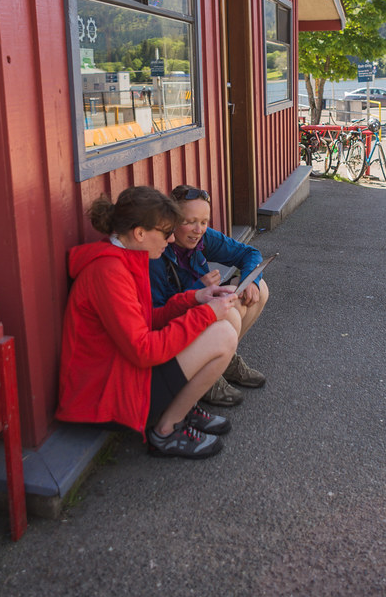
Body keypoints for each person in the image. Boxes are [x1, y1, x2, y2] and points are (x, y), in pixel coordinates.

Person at [57, 186, 241, 459]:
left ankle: (183, 409)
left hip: (123, 374)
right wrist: (206, 314)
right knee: (221, 333)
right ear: (140, 233)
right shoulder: (108, 272)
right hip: (105, 398)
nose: (171, 239)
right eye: (166, 232)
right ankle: (166, 432)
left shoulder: (126, 258)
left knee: (222, 322)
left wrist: (195, 298)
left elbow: (148, 320)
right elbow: (143, 351)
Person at [149, 185, 269, 408]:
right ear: (172, 219)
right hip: (178, 329)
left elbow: (250, 253)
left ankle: (225, 362)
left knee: (259, 289)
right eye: (190, 221)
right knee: (229, 314)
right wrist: (198, 288)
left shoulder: (204, 238)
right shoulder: (157, 252)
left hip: (202, 308)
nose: (198, 230)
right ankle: (206, 379)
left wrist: (250, 280)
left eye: (204, 222)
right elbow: (158, 313)